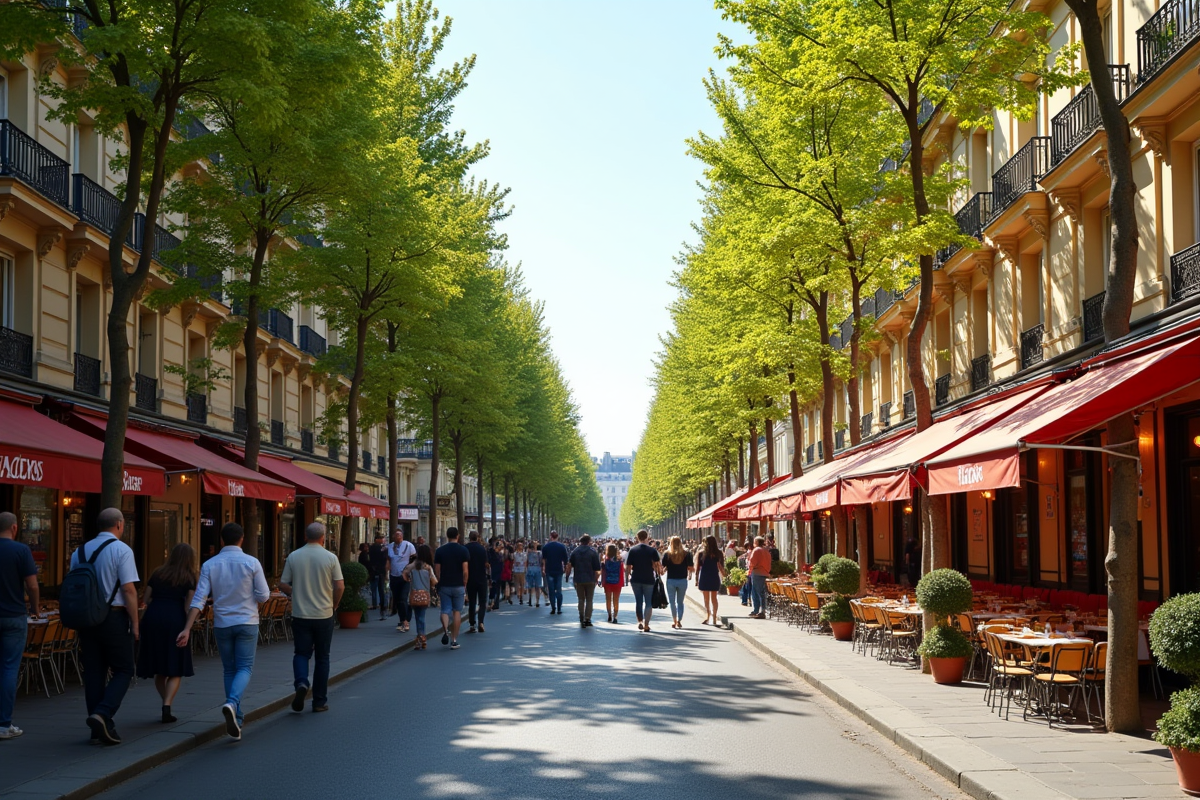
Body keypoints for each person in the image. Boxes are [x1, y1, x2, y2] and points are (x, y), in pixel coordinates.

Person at [177, 523, 269, 741]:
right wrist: (252, 595)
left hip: (222, 623)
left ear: (221, 540)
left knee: (229, 669)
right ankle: (232, 704)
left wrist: (187, 628)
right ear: (242, 539)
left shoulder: (210, 564)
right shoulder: (252, 562)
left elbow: (199, 599)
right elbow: (264, 595)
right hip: (247, 621)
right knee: (245, 667)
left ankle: (236, 716)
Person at [74, 508, 139, 745]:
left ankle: (99, 725)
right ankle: (103, 713)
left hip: (86, 619)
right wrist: (135, 622)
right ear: (120, 525)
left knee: (94, 672)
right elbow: (129, 589)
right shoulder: (121, 550)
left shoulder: (78, 552)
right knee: (124, 669)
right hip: (113, 617)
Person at [279, 522, 343, 714]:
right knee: (323, 657)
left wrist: (295, 592)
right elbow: (340, 586)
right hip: (324, 614)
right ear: (323, 537)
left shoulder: (294, 556)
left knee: (301, 653)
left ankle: (301, 682)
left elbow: (283, 584)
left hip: (301, 614)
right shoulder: (330, 557)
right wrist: (334, 604)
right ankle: (319, 701)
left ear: (305, 537)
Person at [136, 543, 196, 723]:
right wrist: (187, 627)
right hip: (174, 619)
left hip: (153, 617)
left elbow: (145, 599)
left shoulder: (157, 573)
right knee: (175, 667)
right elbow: (188, 606)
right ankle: (167, 705)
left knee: (159, 667)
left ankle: (165, 702)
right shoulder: (189, 577)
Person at [0, 511, 38, 740]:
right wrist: (34, 609)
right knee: (8, 668)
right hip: (14, 615)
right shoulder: (21, 551)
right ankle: (4, 723)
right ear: (14, 528)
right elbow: (32, 586)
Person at [433, 527, 469, 649]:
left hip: (444, 584)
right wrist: (465, 583)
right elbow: (465, 571)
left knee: (444, 610)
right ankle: (454, 640)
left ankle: (445, 631)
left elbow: (437, 571)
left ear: (447, 536)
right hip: (458, 585)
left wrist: (439, 582)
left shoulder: (440, 551)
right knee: (457, 611)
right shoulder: (463, 550)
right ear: (457, 536)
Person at [625, 529, 662, 633]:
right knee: (648, 602)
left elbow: (628, 566)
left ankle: (640, 621)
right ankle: (646, 624)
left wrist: (627, 577)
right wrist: (659, 573)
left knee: (638, 602)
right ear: (647, 537)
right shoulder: (652, 550)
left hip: (636, 578)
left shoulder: (632, 550)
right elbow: (657, 564)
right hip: (649, 578)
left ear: (637, 537)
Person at [402, 545, 436, 649]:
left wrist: (409, 580)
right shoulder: (428, 567)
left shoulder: (413, 566)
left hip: (414, 593)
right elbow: (434, 581)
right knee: (422, 616)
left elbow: (404, 573)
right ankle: (422, 636)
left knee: (417, 616)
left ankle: (419, 637)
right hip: (424, 594)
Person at [565, 534, 601, 628]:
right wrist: (596, 579)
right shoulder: (593, 552)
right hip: (590, 579)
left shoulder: (575, 551)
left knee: (581, 599)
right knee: (589, 600)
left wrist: (567, 576)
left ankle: (581, 616)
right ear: (589, 541)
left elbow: (569, 565)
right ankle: (587, 618)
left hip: (578, 579)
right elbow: (597, 569)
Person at [384, 530, 416, 633]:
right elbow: (388, 560)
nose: (397, 536)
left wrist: (409, 570)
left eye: (399, 535)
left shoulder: (409, 545)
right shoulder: (390, 547)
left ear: (402, 536)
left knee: (403, 598)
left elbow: (415, 559)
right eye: (395, 535)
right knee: (397, 599)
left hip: (405, 576)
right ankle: (402, 619)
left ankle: (405, 620)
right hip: (394, 576)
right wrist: (386, 573)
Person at [662, 536, 694, 629]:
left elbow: (663, 567)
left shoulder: (667, 554)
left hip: (671, 580)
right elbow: (690, 567)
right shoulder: (686, 554)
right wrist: (690, 573)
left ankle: (674, 620)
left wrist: (663, 570)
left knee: (672, 602)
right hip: (682, 580)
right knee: (680, 602)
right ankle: (679, 620)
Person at [696, 535, 727, 626]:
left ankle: (708, 615)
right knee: (714, 598)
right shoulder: (719, 553)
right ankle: (714, 617)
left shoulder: (701, 553)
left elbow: (698, 567)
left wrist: (696, 579)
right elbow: (721, 566)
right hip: (714, 576)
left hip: (705, 576)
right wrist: (724, 576)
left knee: (706, 599)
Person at [465, 531, 489, 633]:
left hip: (470, 578)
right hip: (481, 578)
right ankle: (481, 622)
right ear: (478, 538)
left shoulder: (465, 548)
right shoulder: (482, 549)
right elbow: (487, 564)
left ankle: (472, 624)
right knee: (482, 601)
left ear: (469, 538)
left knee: (472, 602)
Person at [541, 531, 569, 615]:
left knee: (551, 590)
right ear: (558, 537)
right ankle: (559, 608)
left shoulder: (546, 547)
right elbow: (565, 560)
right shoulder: (562, 547)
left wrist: (543, 569)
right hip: (558, 570)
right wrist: (564, 568)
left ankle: (553, 607)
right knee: (559, 590)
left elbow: (543, 560)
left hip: (549, 570)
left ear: (550, 537)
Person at [747, 536, 772, 619]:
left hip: (757, 572)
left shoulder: (757, 550)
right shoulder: (766, 551)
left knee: (756, 593)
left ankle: (757, 610)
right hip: (765, 573)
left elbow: (752, 562)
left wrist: (749, 570)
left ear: (757, 542)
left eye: (754, 541)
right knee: (762, 593)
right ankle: (762, 610)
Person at [600, 543, 624, 624]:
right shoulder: (620, 561)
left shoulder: (605, 561)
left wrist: (602, 582)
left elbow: (603, 573)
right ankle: (615, 616)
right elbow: (621, 572)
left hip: (607, 582)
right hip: (617, 582)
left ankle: (609, 614)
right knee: (616, 600)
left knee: (608, 599)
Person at [368, 534, 389, 620]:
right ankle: (383, 607)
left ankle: (376, 604)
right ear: (377, 539)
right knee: (381, 590)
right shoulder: (380, 549)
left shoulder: (372, 548)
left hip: (374, 571)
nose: (383, 540)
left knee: (375, 589)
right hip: (380, 571)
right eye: (381, 538)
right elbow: (384, 557)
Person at [488, 540, 505, 611]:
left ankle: (496, 603)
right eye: (501, 545)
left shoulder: (500, 554)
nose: (502, 547)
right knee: (493, 588)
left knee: (497, 588)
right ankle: (492, 602)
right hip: (493, 573)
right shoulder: (492, 552)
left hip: (499, 573)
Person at [525, 541, 543, 608]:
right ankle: (531, 599)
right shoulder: (529, 552)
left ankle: (536, 600)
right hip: (534, 569)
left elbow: (541, 562)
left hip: (533, 569)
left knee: (536, 586)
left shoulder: (538, 553)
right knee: (532, 586)